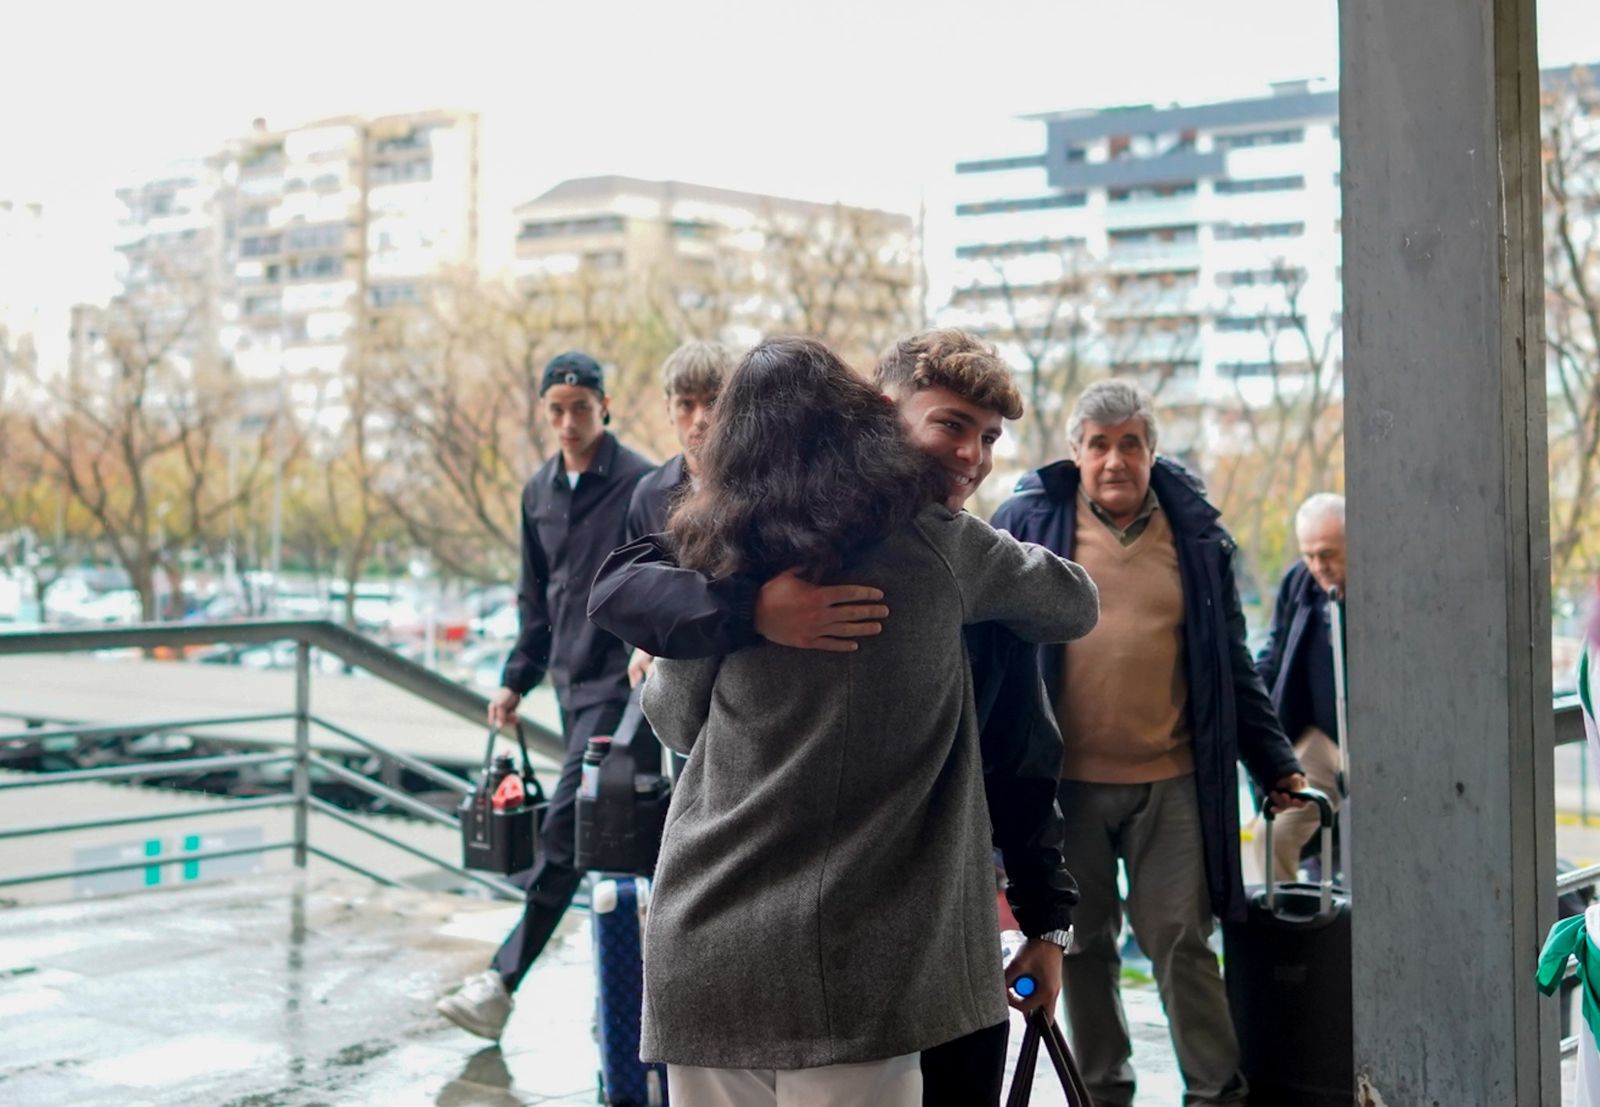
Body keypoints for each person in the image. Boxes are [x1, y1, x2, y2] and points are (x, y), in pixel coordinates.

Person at [589, 328, 1081, 1105]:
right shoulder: (956, 556)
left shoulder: (726, 546)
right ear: (879, 415)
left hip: (710, 948)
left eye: (988, 437)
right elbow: (1072, 610)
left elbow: (675, 717)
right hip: (874, 970)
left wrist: (733, 608)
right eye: (950, 425)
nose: (973, 457)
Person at [991, 378, 1307, 1107]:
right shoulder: (1028, 523)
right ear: (1075, 452)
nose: (1114, 459)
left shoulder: (1196, 537)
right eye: (1098, 444)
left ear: (1151, 450)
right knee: (1082, 943)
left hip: (1172, 780)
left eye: (1129, 443)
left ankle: (1215, 1091)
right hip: (1063, 786)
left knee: (1183, 941)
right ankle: (1102, 1090)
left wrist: (1277, 765)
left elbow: (1231, 663)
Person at [436, 350, 654, 1041]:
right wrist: (513, 678)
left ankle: (500, 983)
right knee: (617, 842)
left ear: (605, 406)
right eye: (555, 410)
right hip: (568, 684)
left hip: (628, 687)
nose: (567, 422)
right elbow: (537, 599)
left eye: (579, 408)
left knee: (568, 828)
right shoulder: (537, 493)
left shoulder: (641, 483)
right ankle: (628, 1011)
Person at [623, 339, 732, 690]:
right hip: (673, 679)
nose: (700, 419)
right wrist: (644, 643)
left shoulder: (762, 485)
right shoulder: (649, 494)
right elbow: (638, 591)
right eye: (686, 404)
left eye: (713, 401)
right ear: (668, 409)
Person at [1255, 492, 1347, 883]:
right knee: (1271, 833)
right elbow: (1276, 651)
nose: (1317, 566)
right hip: (1317, 741)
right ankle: (1289, 933)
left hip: (1376, 742)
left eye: (1327, 554)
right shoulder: (1299, 581)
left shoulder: (1386, 588)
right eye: (1308, 555)